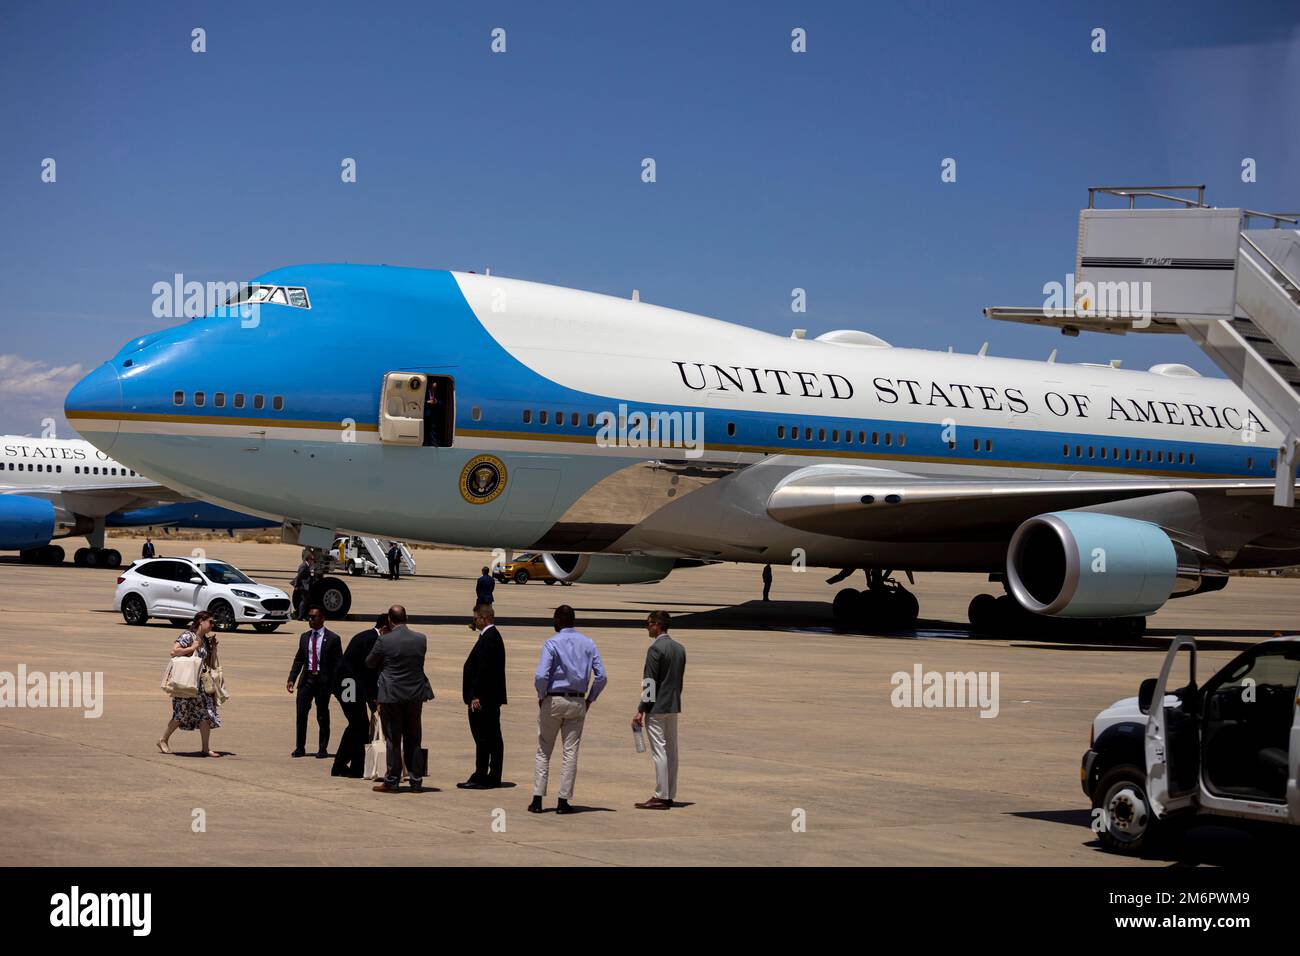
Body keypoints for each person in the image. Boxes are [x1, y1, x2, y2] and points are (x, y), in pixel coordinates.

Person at [529, 605, 606, 814]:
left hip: (553, 699)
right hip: (578, 701)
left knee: (544, 749)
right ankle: (563, 801)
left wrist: (541, 694)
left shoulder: (552, 643)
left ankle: (537, 799)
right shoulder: (588, 643)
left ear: (558, 621)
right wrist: (590, 698)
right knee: (570, 752)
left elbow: (541, 676)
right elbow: (602, 676)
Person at [366, 604, 434, 793]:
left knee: (393, 740)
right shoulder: (421, 639)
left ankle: (393, 781)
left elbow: (370, 662)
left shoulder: (385, 641)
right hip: (414, 695)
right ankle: (416, 781)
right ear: (406, 618)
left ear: (389, 619)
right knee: (414, 739)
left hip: (392, 695)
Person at [632, 610, 687, 810]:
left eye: (648, 624)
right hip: (673, 706)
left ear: (656, 625)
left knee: (659, 752)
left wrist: (641, 709)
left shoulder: (655, 649)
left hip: (656, 707)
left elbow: (650, 682)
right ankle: (670, 793)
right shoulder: (679, 648)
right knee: (672, 751)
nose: (647, 627)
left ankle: (661, 795)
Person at [331, 613, 390, 777]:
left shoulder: (368, 636)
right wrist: (372, 696)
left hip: (351, 685)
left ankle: (356, 765)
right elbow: (369, 671)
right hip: (347, 686)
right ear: (384, 629)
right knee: (357, 724)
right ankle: (340, 764)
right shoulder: (372, 640)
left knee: (359, 725)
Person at [158, 611, 221, 757]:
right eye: (210, 622)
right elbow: (174, 652)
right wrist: (191, 648)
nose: (212, 625)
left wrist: (214, 650)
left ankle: (205, 748)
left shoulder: (205, 639)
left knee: (206, 714)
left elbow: (208, 664)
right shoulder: (188, 636)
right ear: (200, 621)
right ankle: (163, 739)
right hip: (186, 683)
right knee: (181, 714)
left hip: (201, 685)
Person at [459, 602, 507, 789]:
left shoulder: (489, 638)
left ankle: (482, 774)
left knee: (484, 737)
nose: (475, 621)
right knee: (491, 736)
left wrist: (476, 695)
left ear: (485, 618)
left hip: (485, 699)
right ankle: (490, 774)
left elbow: (484, 670)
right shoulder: (490, 636)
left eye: (476, 618)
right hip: (490, 697)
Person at [286, 605, 341, 758]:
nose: (310, 620)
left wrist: (335, 684)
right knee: (301, 714)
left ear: (322, 618)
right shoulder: (305, 637)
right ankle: (300, 747)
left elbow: (338, 664)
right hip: (307, 680)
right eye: (309, 617)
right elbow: (299, 659)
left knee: (322, 715)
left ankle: (322, 748)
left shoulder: (333, 639)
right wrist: (292, 678)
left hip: (323, 682)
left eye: (313, 617)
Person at [292, 552, 315, 620]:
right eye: (312, 560)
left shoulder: (306, 566)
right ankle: (300, 616)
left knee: (306, 601)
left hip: (305, 586)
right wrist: (296, 585)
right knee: (304, 601)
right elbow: (299, 576)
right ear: (309, 560)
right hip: (303, 586)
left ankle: (304, 615)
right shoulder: (304, 566)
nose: (313, 562)